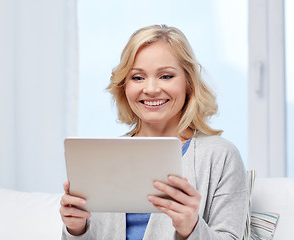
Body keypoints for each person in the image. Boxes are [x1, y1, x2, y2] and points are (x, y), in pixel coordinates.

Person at [60, 24, 248, 240]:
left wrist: (191, 227)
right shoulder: (103, 156)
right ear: (124, 86)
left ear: (188, 83)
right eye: (137, 77)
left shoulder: (220, 155)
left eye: (166, 76)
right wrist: (76, 230)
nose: (150, 89)